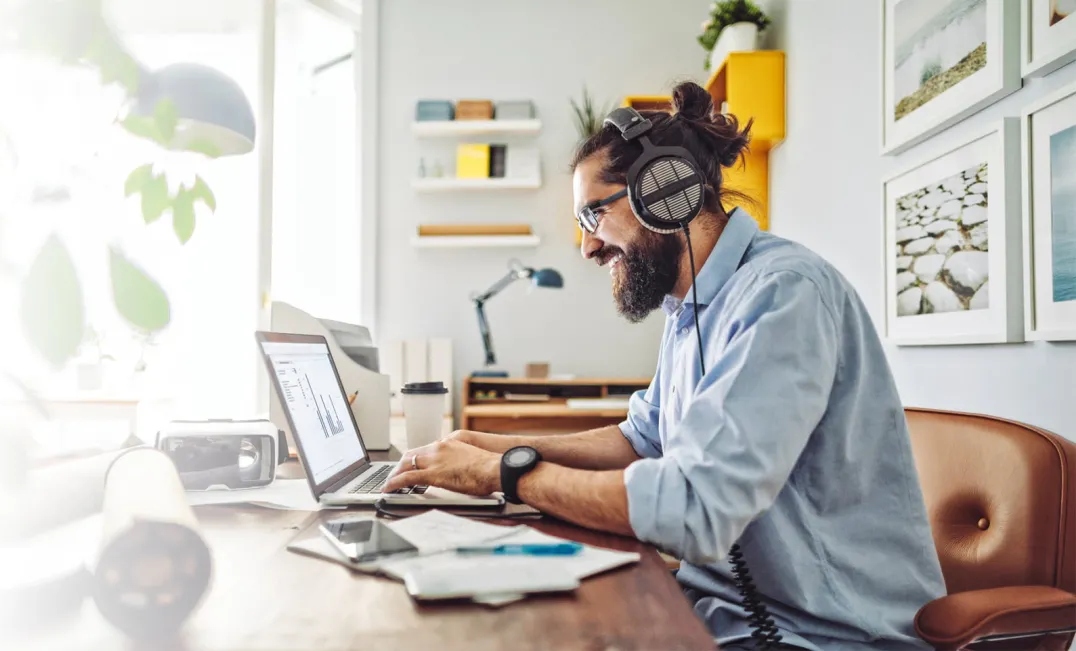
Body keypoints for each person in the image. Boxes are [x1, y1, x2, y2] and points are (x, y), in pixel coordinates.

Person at [384, 81, 946, 651]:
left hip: (822, 636)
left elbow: (692, 510)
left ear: (664, 193)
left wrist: (503, 476)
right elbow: (641, 439)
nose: (587, 248)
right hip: (719, 613)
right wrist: (488, 446)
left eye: (591, 216)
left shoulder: (783, 296)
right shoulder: (691, 307)